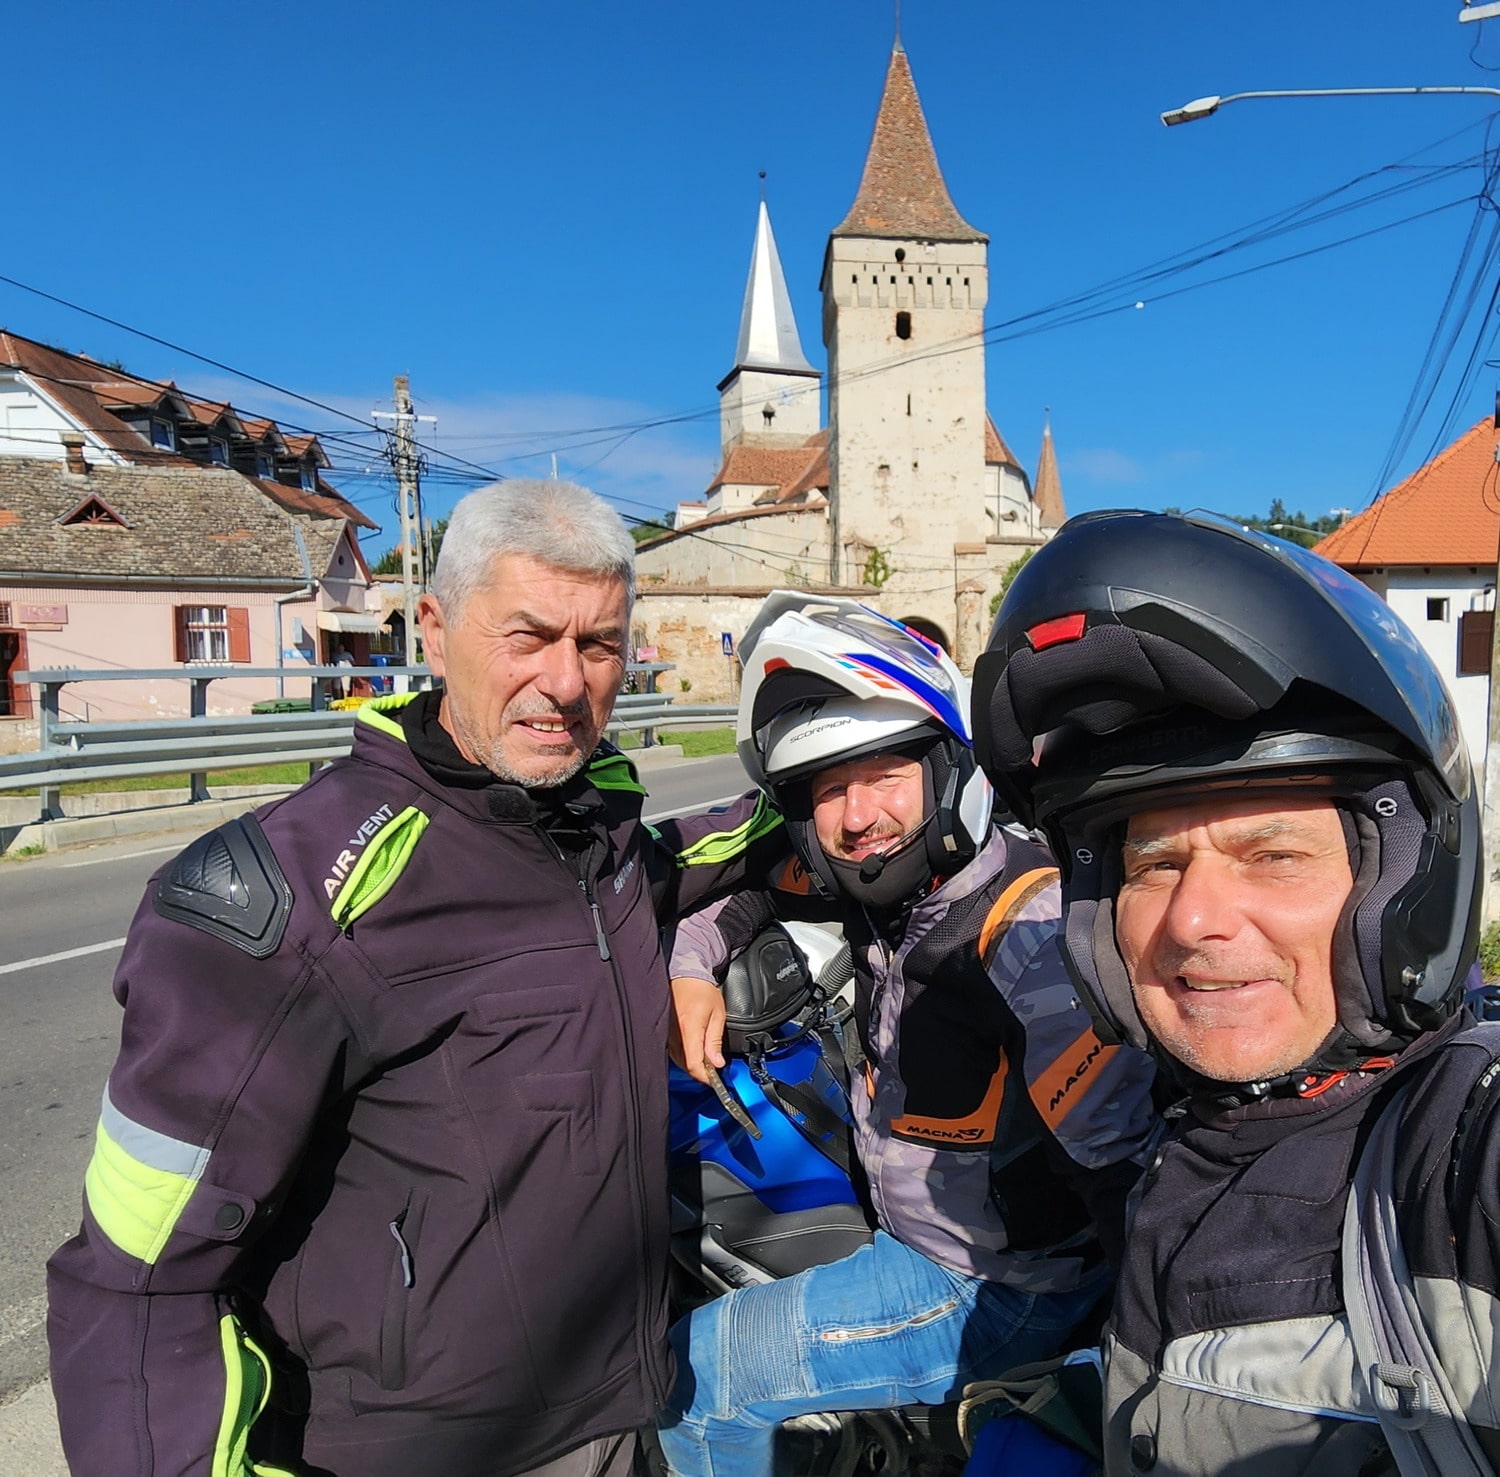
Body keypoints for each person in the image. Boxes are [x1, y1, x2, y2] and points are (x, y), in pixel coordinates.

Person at [46, 480, 784, 1477]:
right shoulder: (299, 890)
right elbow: (136, 1280)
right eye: (527, 635)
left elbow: (689, 857)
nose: (568, 682)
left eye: (599, 644)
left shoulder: (589, 834)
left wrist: (845, 790)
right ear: (434, 633)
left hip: (621, 1411)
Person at [969, 509, 1495, 1475]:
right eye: (1157, 864)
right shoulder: (1195, 1129)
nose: (1192, 921)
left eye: (1276, 855)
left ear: (1407, 886)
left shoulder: (1462, 1146)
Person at [659, 592, 1162, 1477]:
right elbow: (744, 895)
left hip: (988, 1286)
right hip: (929, 1234)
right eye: (828, 790)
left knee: (690, 1385)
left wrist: (1138, 1373)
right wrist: (688, 970)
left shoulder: (1021, 934)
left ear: (945, 775)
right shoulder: (893, 887)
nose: (858, 817)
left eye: (883, 775)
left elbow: (1120, 1175)